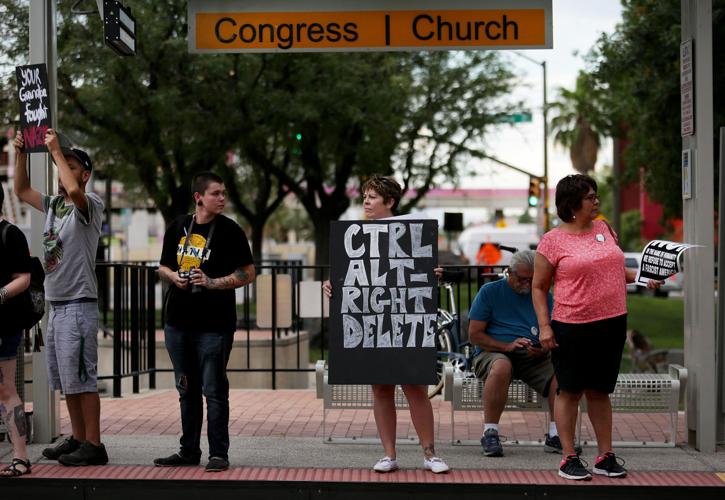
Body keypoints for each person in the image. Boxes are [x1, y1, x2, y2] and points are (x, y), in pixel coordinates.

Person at [532, 174, 661, 481]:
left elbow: (617, 270)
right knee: (571, 392)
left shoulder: (604, 228)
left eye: (596, 196)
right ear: (572, 203)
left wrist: (642, 277)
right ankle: (569, 458)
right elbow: (539, 287)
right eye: (591, 197)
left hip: (612, 323)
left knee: (600, 391)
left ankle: (605, 456)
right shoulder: (552, 240)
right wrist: (544, 327)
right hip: (571, 326)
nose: (596, 202)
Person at [323, 175, 449, 474]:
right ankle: (389, 455)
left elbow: (425, 270)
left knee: (415, 387)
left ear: (389, 202)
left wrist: (433, 274)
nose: (366, 202)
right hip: (373, 321)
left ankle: (430, 454)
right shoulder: (356, 236)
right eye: (364, 196)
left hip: (403, 318)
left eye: (372, 197)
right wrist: (334, 284)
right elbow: (351, 275)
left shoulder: (412, 230)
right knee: (380, 387)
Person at [14, 129, 107, 466]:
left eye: (71, 164)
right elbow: (22, 190)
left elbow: (72, 189)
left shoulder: (91, 204)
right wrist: (22, 153)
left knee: (83, 377)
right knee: (67, 379)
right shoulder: (55, 205)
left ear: (85, 173)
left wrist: (55, 152)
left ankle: (94, 444)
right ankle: (79, 438)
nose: (63, 168)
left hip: (80, 304)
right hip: (57, 304)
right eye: (61, 163)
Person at [154, 171, 255, 473]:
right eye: (216, 193)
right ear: (199, 197)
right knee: (186, 388)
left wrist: (212, 282)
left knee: (213, 389)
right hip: (177, 322)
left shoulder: (231, 231)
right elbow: (163, 266)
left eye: (224, 193)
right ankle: (188, 450)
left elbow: (248, 273)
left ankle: (218, 454)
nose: (222, 198)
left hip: (215, 325)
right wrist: (174, 277)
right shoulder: (177, 227)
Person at [468, 249, 560, 457]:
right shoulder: (490, 292)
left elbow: (554, 331)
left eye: (532, 279)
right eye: (522, 279)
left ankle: (556, 435)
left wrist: (544, 347)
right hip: (493, 352)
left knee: (561, 374)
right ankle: (490, 433)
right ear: (509, 272)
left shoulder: (544, 296)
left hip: (532, 356)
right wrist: (507, 346)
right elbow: (475, 335)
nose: (527, 284)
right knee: (502, 366)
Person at [0, 187, 32, 477]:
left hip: (3, 324)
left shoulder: (10, 235)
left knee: (6, 389)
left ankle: (21, 455)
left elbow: (24, 278)